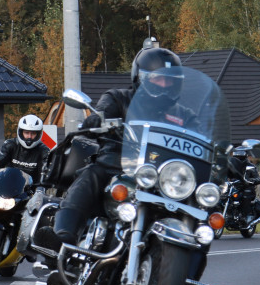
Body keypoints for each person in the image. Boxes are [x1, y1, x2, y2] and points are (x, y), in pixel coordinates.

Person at [51, 42, 188, 245]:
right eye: (159, 80)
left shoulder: (183, 114)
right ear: (141, 78)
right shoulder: (119, 98)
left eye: (170, 82)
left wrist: (219, 153)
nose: (165, 86)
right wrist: (98, 119)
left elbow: (202, 137)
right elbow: (103, 111)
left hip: (161, 177)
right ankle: (62, 236)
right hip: (116, 165)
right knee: (91, 176)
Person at [0, 115, 51, 245]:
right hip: (7, 186)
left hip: (29, 190)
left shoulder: (44, 151)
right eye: (26, 132)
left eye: (33, 133)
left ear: (39, 134)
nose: (29, 136)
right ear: (20, 132)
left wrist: (42, 187)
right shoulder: (10, 144)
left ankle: (32, 243)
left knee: (41, 214)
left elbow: (46, 171)